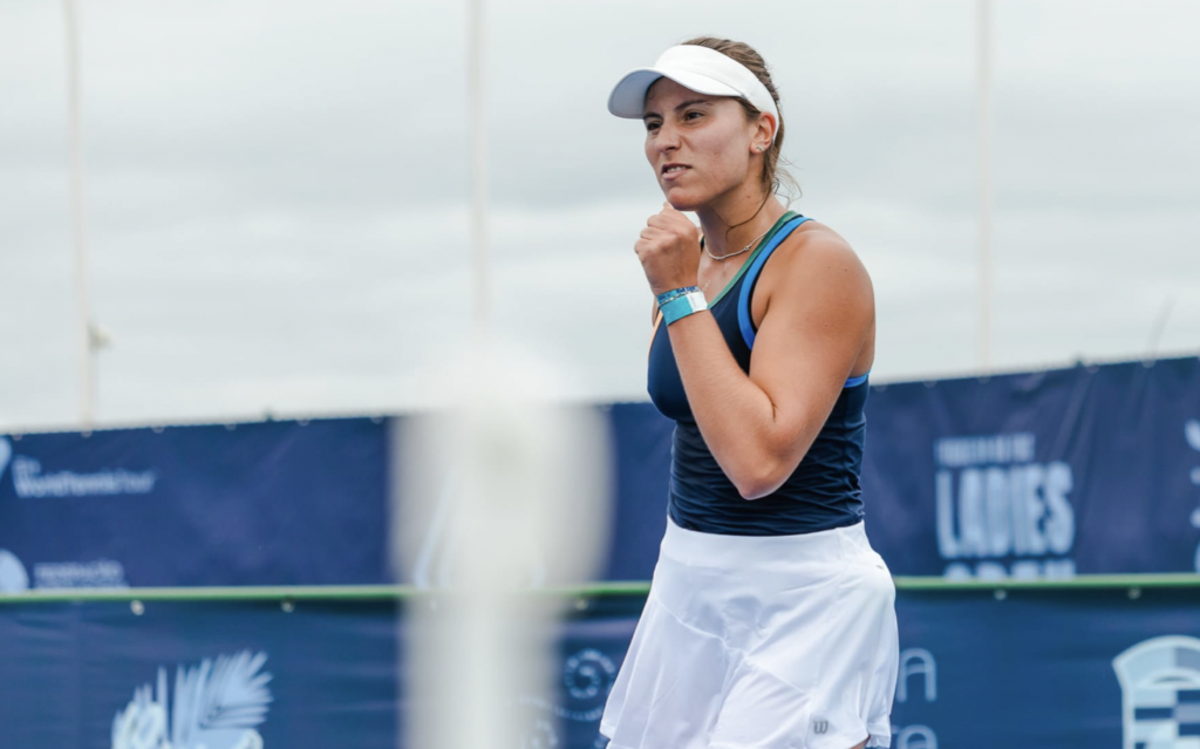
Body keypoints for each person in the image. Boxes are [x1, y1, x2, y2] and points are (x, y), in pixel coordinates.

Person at [599, 38, 899, 749]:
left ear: (762, 130)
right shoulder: (688, 265)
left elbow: (759, 464)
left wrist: (676, 292)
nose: (667, 141)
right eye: (653, 124)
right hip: (690, 586)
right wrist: (680, 288)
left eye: (694, 115)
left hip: (805, 601)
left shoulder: (817, 263)